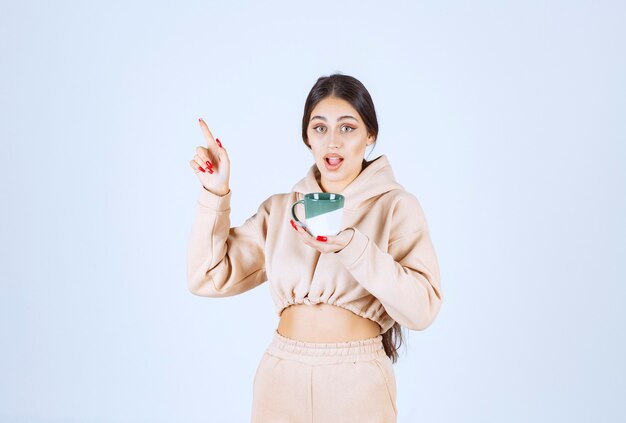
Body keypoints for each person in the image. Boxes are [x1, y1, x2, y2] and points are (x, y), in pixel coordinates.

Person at [186, 73, 443, 423]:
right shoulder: (281, 211)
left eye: (347, 128)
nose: (332, 141)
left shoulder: (396, 207)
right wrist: (215, 194)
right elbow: (207, 276)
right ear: (307, 137)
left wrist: (354, 248)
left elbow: (423, 309)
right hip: (280, 378)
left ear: (371, 135)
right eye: (320, 128)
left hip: (358, 384)